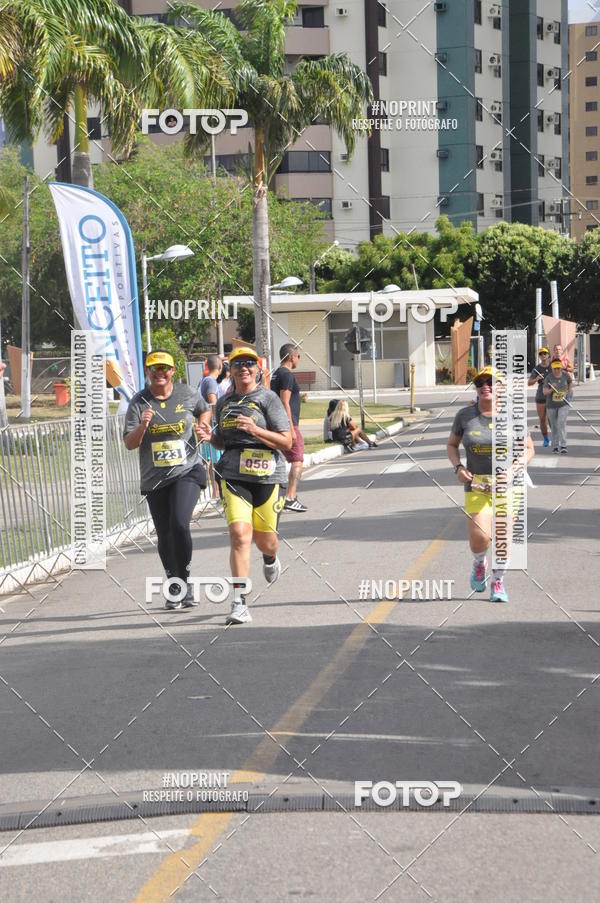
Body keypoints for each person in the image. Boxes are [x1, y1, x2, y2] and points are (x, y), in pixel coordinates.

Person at [123, 350, 212, 610]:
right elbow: (129, 443)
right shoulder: (139, 402)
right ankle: (174, 584)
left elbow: (204, 411)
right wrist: (142, 426)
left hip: (187, 471)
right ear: (148, 373)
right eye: (154, 369)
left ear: (173, 371)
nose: (159, 373)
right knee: (164, 533)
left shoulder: (187, 394)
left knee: (179, 524)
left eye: (164, 368)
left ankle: (184, 583)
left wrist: (202, 427)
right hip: (155, 479)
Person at [211, 346, 292, 625]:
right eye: (237, 364)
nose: (243, 368)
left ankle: (269, 558)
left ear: (258, 369)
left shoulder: (268, 399)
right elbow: (223, 440)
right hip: (234, 475)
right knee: (239, 535)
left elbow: (287, 441)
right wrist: (209, 438)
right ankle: (239, 602)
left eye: (249, 364)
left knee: (265, 541)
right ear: (230, 370)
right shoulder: (223, 403)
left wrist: (255, 429)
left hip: (268, 476)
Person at [447, 365, 535, 604]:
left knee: (503, 537)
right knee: (481, 537)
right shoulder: (465, 416)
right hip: (477, 485)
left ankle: (498, 581)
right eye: (480, 383)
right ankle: (479, 564)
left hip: (508, 486)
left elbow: (528, 450)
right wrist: (458, 468)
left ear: (500, 387)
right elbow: (452, 445)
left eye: (491, 382)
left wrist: (512, 471)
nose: (485, 386)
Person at [270, 343, 307, 512]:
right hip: (287, 424)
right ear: (292, 357)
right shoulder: (287, 375)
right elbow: (284, 401)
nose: (298, 359)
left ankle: (276, 496)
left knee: (280, 460)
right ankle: (290, 498)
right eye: (298, 356)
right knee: (297, 460)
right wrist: (291, 428)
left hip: (277, 423)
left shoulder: (276, 374)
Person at [543, 357, 573, 453]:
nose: (557, 370)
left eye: (558, 368)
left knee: (561, 423)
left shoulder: (566, 376)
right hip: (551, 405)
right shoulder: (549, 378)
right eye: (555, 368)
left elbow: (570, 384)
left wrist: (568, 394)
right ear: (552, 368)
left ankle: (563, 445)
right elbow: (544, 392)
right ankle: (555, 446)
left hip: (563, 404)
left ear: (561, 367)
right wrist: (551, 389)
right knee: (554, 426)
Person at [528, 347, 551, 447]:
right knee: (542, 419)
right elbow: (529, 382)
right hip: (540, 397)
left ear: (548, 355)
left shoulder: (553, 367)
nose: (543, 356)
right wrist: (536, 378)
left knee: (552, 418)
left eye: (545, 353)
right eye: (541, 354)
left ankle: (555, 437)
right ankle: (546, 439)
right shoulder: (536, 369)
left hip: (551, 396)